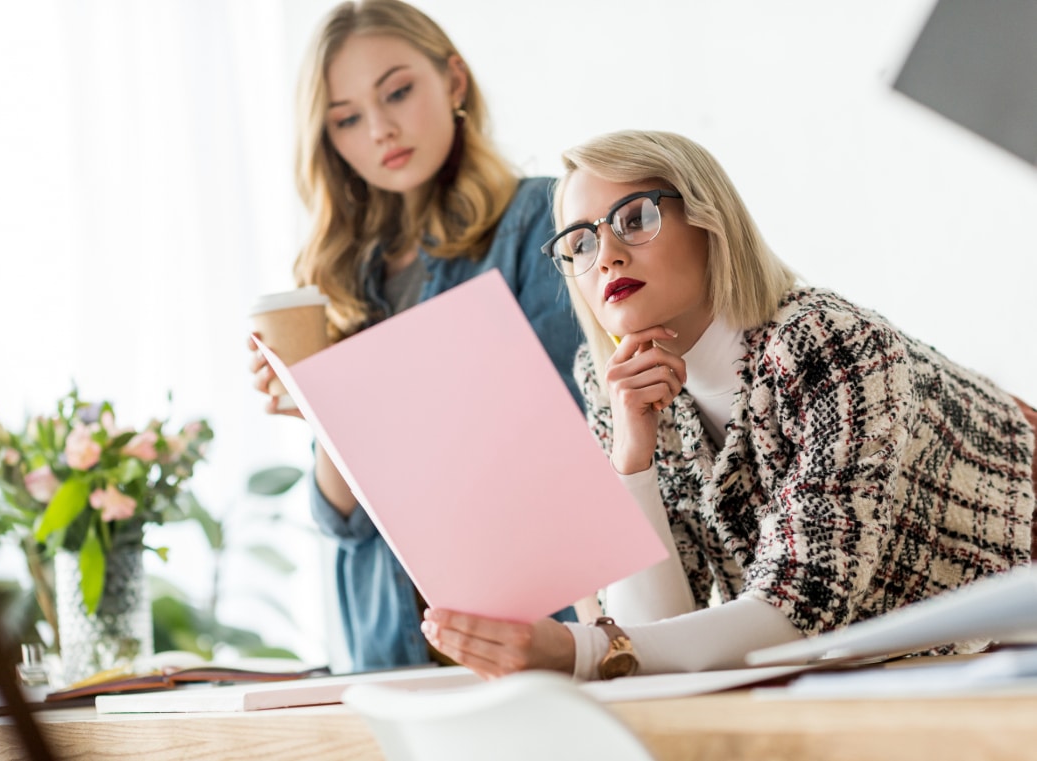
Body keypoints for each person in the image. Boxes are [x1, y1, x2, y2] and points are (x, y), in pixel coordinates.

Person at [419, 129, 1037, 681]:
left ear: (710, 220)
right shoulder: (612, 384)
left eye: (634, 217)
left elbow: (801, 605)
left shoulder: (827, 344)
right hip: (904, 663)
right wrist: (630, 460)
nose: (605, 254)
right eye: (579, 243)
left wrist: (579, 650)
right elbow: (650, 644)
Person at [247, 0, 584, 671]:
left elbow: (570, 442)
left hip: (531, 632)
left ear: (453, 82)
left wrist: (378, 407)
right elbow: (344, 519)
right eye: (346, 118)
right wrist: (325, 409)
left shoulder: (538, 222)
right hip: (391, 653)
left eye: (397, 91)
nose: (381, 129)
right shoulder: (343, 279)